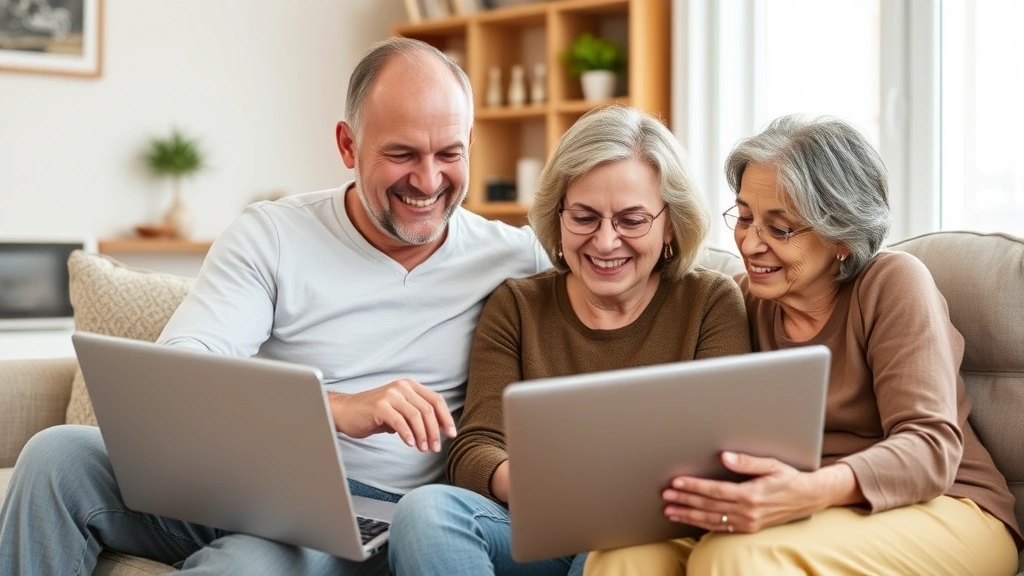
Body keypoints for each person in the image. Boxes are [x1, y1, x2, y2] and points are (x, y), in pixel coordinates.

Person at [0, 37, 551, 576]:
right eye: (401, 153)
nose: (428, 180)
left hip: (378, 512)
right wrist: (335, 407)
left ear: (470, 142)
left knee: (244, 567)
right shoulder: (273, 235)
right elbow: (182, 372)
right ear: (348, 145)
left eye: (449, 154)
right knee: (57, 457)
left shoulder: (515, 258)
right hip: (242, 480)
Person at [582, 114, 1023, 575]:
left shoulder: (892, 284)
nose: (750, 244)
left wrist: (807, 492)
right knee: (624, 553)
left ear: (841, 236)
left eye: (780, 228)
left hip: (944, 505)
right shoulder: (738, 302)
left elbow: (930, 448)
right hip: (801, 510)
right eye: (745, 218)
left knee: (736, 557)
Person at [388, 104, 752, 576]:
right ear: (558, 217)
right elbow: (475, 445)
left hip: (650, 531)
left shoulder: (710, 301)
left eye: (632, 220)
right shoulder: (517, 305)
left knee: (610, 556)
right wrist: (528, 483)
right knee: (424, 512)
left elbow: (723, 454)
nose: (605, 242)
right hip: (541, 522)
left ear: (670, 223)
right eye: (584, 217)